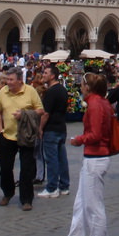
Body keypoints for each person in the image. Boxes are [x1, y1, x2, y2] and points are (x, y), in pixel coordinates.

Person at [52, 72, 114, 236]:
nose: (80, 87)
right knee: (80, 205)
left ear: (88, 86)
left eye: (81, 84)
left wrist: (78, 139)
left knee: (93, 206)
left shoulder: (95, 104)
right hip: (94, 157)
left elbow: (95, 135)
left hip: (96, 158)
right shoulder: (103, 102)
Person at [0, 67, 44, 211]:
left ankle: (26, 199)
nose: (8, 82)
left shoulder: (30, 91)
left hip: (26, 135)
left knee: (26, 169)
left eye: (11, 80)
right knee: (5, 168)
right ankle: (8, 192)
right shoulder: (3, 92)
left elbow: (40, 110)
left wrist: (24, 114)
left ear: (20, 80)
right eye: (7, 79)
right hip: (7, 136)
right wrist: (0, 130)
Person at [38, 65, 70, 197]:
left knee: (51, 159)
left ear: (52, 76)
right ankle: (64, 186)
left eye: (45, 73)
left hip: (51, 129)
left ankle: (52, 188)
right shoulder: (62, 89)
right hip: (61, 128)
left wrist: (40, 128)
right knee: (62, 158)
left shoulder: (51, 91)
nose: (43, 75)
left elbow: (46, 113)